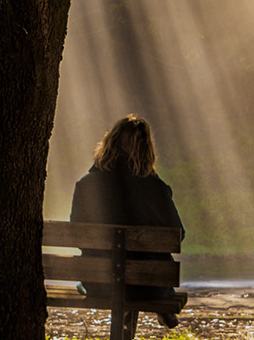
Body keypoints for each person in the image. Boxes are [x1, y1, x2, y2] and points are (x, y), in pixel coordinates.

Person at [68, 114, 186, 328]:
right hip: (150, 287)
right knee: (142, 274)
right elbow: (179, 234)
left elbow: (77, 235)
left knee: (104, 278)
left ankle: (129, 312)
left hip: (99, 282)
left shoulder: (86, 185)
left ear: (109, 144)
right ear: (146, 150)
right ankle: (163, 306)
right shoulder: (156, 189)